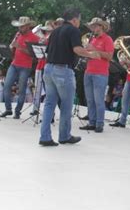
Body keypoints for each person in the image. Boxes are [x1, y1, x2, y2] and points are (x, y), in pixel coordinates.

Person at [39, 9, 99, 146]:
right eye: (79, 20)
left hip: (49, 69)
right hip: (63, 70)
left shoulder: (55, 31)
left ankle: (45, 137)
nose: (79, 23)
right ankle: (64, 136)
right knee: (66, 105)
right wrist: (91, 54)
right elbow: (77, 49)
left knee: (49, 104)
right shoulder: (73, 31)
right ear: (74, 20)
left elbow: (48, 52)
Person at [0, 17, 40, 119]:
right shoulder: (18, 35)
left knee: (21, 90)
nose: (20, 28)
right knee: (6, 86)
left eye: (22, 27)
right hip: (14, 64)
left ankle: (17, 112)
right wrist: (11, 47)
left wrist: (19, 47)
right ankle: (8, 109)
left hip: (25, 67)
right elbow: (14, 48)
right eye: (19, 27)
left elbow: (33, 54)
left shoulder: (34, 38)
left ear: (28, 26)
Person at [79, 18, 114, 133]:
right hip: (89, 71)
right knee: (89, 99)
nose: (93, 28)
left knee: (98, 100)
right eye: (92, 26)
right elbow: (92, 54)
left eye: (95, 26)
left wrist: (95, 50)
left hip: (100, 73)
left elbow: (109, 56)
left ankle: (99, 124)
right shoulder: (92, 39)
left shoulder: (107, 39)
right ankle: (92, 122)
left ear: (101, 27)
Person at [31, 21, 54, 117]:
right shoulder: (42, 38)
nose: (47, 31)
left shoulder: (53, 39)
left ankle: (49, 112)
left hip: (48, 66)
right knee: (37, 89)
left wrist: (46, 41)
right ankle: (35, 109)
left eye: (49, 30)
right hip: (39, 66)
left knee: (48, 90)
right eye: (46, 30)